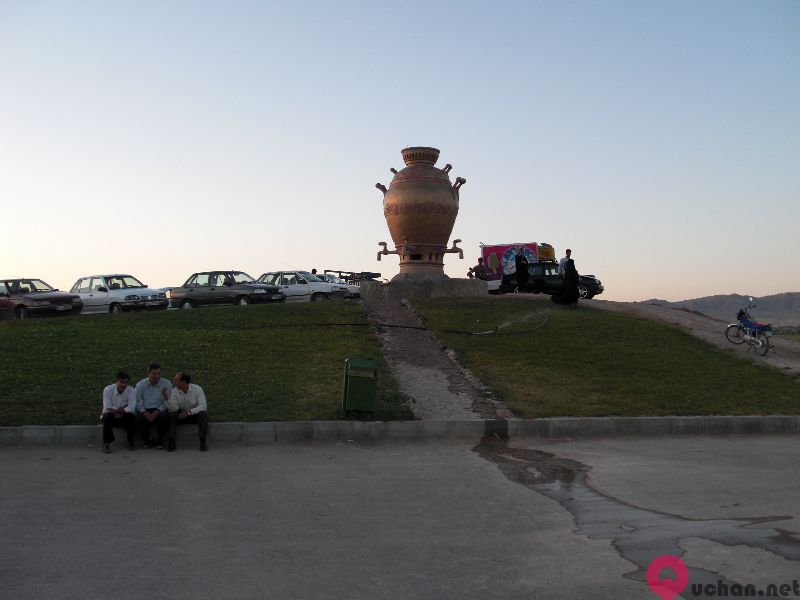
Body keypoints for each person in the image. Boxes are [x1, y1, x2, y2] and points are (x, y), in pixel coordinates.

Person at [166, 372, 208, 452]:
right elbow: (174, 408)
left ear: (183, 381)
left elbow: (203, 406)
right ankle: (171, 441)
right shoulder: (174, 391)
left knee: (203, 414)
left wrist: (189, 412)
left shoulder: (197, 389)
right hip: (181, 414)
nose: (174, 382)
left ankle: (203, 441)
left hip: (194, 414)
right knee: (172, 414)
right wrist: (167, 399)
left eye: (176, 380)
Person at [134, 363, 171, 449]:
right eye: (154, 373)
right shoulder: (141, 384)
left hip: (160, 409)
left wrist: (158, 410)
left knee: (164, 417)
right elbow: (136, 401)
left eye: (158, 373)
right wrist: (144, 412)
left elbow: (169, 401)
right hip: (146, 409)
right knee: (137, 419)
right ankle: (148, 439)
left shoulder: (166, 383)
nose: (156, 376)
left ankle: (159, 440)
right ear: (148, 374)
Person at [101, 371, 137, 454]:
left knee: (131, 417)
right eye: (121, 382)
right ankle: (106, 443)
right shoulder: (108, 390)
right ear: (116, 381)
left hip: (124, 416)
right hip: (111, 416)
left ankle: (130, 442)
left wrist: (116, 410)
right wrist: (124, 409)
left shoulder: (131, 391)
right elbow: (107, 407)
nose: (123, 385)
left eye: (126, 383)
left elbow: (132, 408)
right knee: (106, 417)